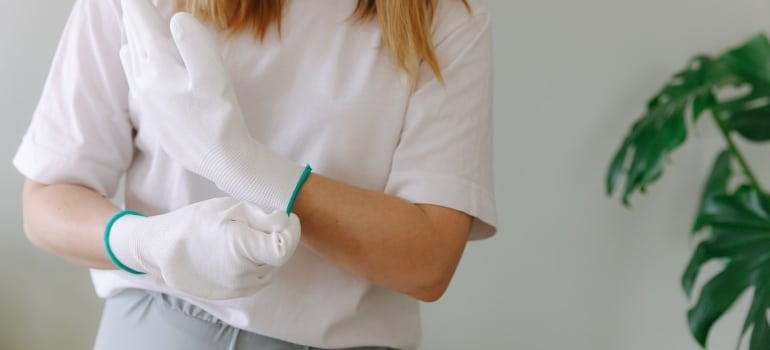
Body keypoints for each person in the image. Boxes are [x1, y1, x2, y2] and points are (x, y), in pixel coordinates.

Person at [13, 0, 497, 348]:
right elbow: (49, 197)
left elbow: (429, 261)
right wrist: (146, 243)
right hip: (155, 328)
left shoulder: (444, 15)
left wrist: (240, 163)